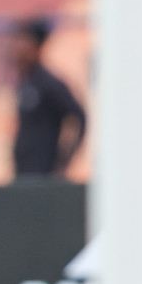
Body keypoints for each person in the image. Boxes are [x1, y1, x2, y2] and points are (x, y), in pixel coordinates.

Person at [9, 18, 84, 178]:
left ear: (38, 46)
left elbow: (79, 117)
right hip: (23, 173)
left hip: (43, 173)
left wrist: (64, 160)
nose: (19, 49)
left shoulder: (50, 84)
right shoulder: (26, 82)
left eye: (25, 43)